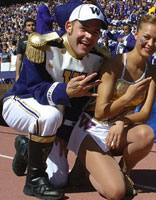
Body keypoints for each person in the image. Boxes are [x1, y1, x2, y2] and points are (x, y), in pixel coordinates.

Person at [2, 4, 108, 200]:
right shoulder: (43, 44)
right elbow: (34, 88)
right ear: (68, 26)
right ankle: (33, 183)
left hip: (55, 119)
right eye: (83, 29)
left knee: (58, 179)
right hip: (21, 102)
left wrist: (65, 133)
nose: (89, 36)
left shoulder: (97, 57)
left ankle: (26, 148)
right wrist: (65, 90)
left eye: (95, 32)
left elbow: (79, 103)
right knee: (50, 115)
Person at [67, 14, 156, 200]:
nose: (151, 43)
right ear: (135, 35)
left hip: (115, 129)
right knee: (116, 193)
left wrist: (122, 121)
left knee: (146, 134)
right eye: (146, 37)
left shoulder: (152, 72)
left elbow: (145, 114)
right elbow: (100, 112)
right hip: (91, 128)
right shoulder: (115, 63)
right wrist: (127, 97)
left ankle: (123, 172)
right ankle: (87, 168)